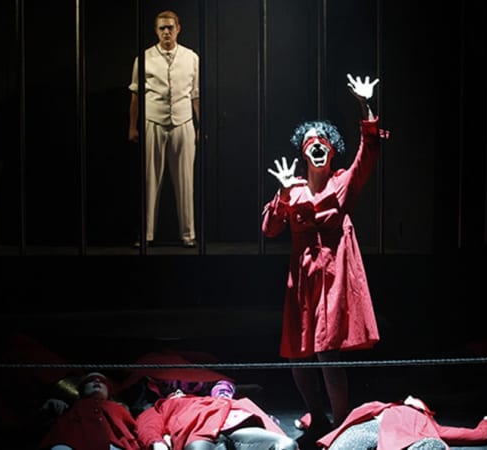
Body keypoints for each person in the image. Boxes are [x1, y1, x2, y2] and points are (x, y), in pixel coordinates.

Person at [262, 74, 387, 442]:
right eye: (310, 142)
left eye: (323, 142)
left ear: (332, 151)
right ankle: (317, 417)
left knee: (327, 353)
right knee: (297, 354)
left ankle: (341, 424)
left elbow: (370, 150)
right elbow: (270, 229)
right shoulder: (294, 187)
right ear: (304, 153)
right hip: (302, 283)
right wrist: (283, 195)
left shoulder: (342, 183)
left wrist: (365, 105)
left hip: (333, 279)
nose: (317, 145)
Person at [129, 10, 200, 248]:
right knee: (150, 181)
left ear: (178, 28)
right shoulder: (144, 58)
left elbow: (195, 95)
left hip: (183, 122)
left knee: (185, 181)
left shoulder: (191, 57)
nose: (166, 32)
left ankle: (188, 234)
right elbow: (135, 96)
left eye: (170, 27)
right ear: (156, 31)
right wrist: (132, 127)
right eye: (162, 28)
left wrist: (199, 125)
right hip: (154, 122)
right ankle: (146, 234)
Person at [135, 379, 298, 450]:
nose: (178, 390)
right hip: (196, 434)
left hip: (232, 424)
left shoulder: (213, 400)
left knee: (286, 445)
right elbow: (147, 427)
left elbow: (231, 389)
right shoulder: (161, 407)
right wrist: (158, 444)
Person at [317, 395, 487, 450]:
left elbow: (473, 435)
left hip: (399, 441)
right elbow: (345, 420)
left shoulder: (426, 420)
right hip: (369, 428)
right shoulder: (380, 407)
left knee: (432, 446)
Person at [39, 372, 140, 450]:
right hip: (71, 441)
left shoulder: (119, 409)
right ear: (82, 389)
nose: (97, 381)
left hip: (112, 445)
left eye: (102, 381)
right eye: (90, 380)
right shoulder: (71, 407)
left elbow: (134, 430)